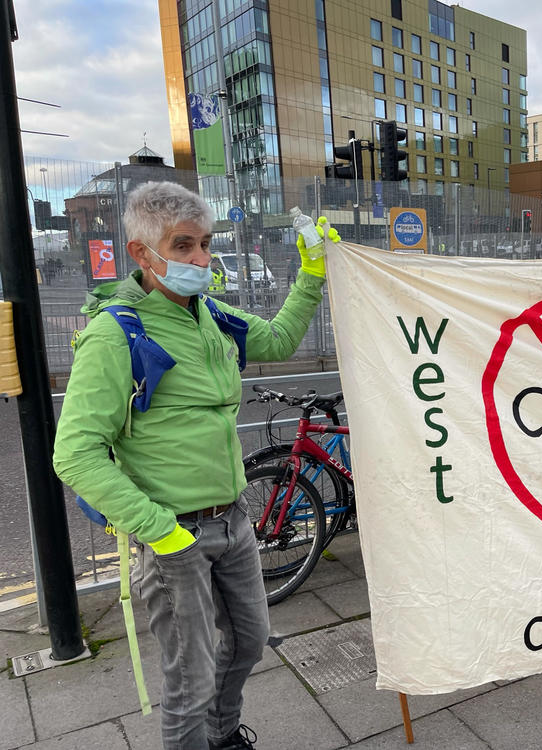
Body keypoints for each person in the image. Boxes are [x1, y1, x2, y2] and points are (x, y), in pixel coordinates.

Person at [52, 182, 337, 750]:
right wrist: (163, 534)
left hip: (232, 523)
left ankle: (223, 735)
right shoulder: (114, 334)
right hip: (171, 535)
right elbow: (75, 454)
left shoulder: (210, 314)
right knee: (189, 679)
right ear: (141, 253)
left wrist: (311, 274)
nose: (202, 260)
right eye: (183, 246)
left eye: (205, 244)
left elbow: (277, 341)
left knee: (251, 641)